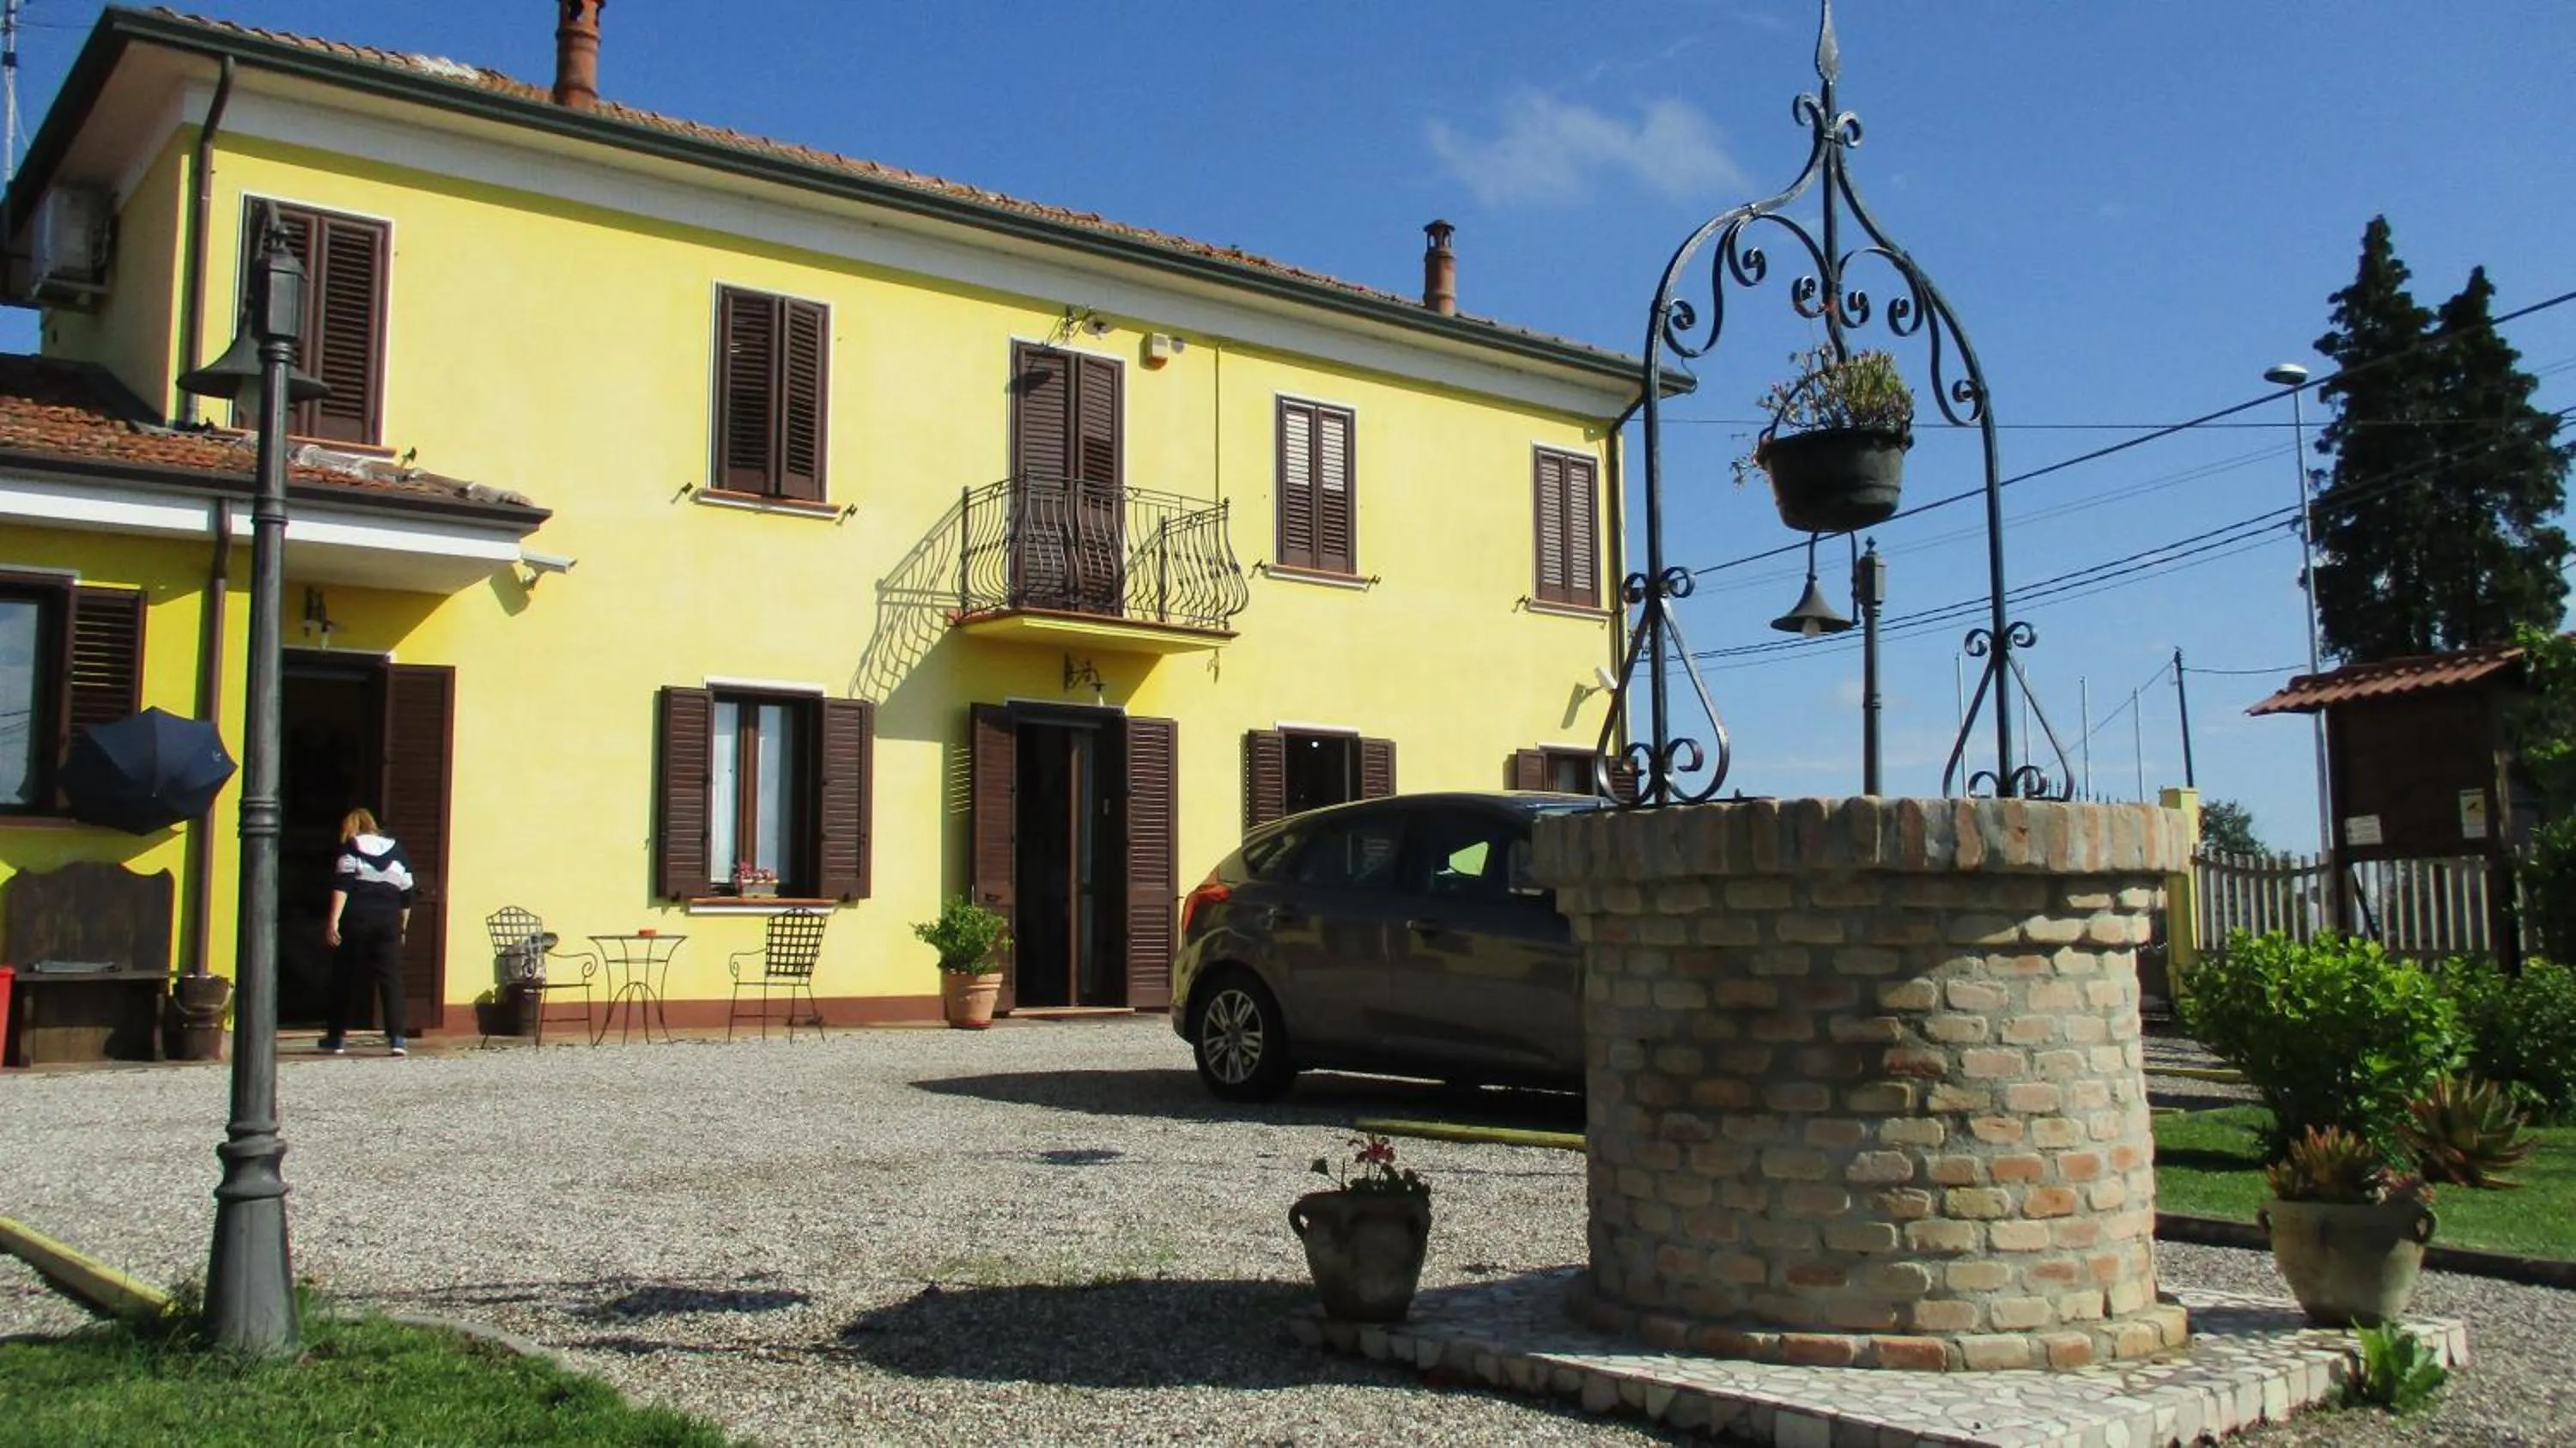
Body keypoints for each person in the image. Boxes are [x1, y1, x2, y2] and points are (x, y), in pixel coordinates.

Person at [318, 806, 416, 1056]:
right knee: (391, 979)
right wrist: (402, 928)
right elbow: (406, 892)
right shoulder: (397, 851)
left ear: (350, 827)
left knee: (345, 975)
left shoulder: (351, 848)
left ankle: (336, 1038)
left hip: (358, 918)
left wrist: (333, 921)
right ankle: (397, 1039)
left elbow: (343, 886)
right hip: (389, 920)